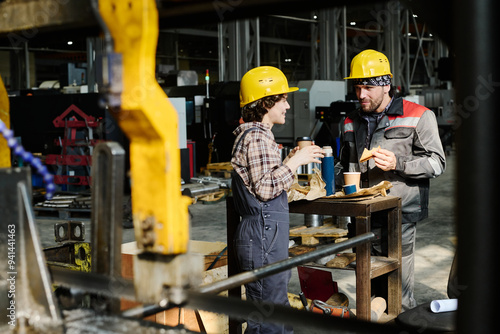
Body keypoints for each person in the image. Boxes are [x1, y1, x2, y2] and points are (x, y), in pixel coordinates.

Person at [339, 49, 446, 311]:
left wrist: (399, 164)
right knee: (368, 279)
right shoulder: (350, 121)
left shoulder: (419, 115)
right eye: (357, 87)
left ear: (385, 85)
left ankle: (402, 320)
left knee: (398, 285)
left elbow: (437, 163)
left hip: (399, 214)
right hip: (362, 213)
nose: (361, 95)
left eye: (367, 88)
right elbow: (345, 163)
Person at [231, 66, 324, 333]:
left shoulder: (256, 136)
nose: (286, 105)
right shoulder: (257, 136)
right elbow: (264, 188)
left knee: (276, 307)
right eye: (282, 99)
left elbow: (263, 180)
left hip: (266, 233)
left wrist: (287, 162)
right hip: (263, 233)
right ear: (265, 102)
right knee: (267, 316)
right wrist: (295, 162)